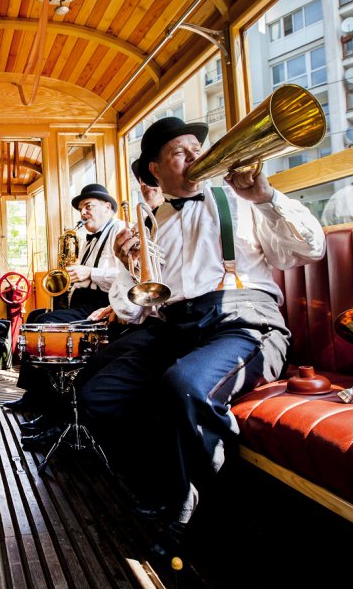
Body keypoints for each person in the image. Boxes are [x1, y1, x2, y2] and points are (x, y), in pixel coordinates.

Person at [77, 117, 326, 549]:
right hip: (178, 327)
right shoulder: (151, 224)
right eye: (180, 151)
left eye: (197, 147)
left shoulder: (242, 201)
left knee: (187, 386)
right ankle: (156, 487)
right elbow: (131, 310)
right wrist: (128, 264)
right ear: (155, 169)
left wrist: (266, 198)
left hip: (245, 323)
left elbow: (311, 249)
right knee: (97, 395)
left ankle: (198, 513)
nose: (195, 155)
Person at [6, 183, 124, 450]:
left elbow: (126, 276)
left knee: (45, 326)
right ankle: (34, 395)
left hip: (102, 307)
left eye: (88, 206)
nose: (83, 213)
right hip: (82, 302)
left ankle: (53, 414)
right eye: (81, 209)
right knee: (35, 317)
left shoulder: (119, 231)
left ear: (108, 207)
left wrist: (90, 273)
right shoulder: (87, 239)